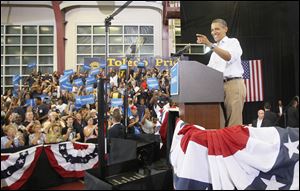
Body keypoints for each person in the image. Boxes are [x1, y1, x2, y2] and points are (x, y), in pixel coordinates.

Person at [196, 18, 246, 127]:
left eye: (217, 29)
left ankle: (233, 144)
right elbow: (209, 70)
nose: (214, 32)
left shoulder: (233, 42)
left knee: (234, 124)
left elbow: (228, 57)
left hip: (233, 85)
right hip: (217, 87)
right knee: (219, 123)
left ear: (225, 29)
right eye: (212, 30)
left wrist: (210, 44)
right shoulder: (215, 49)